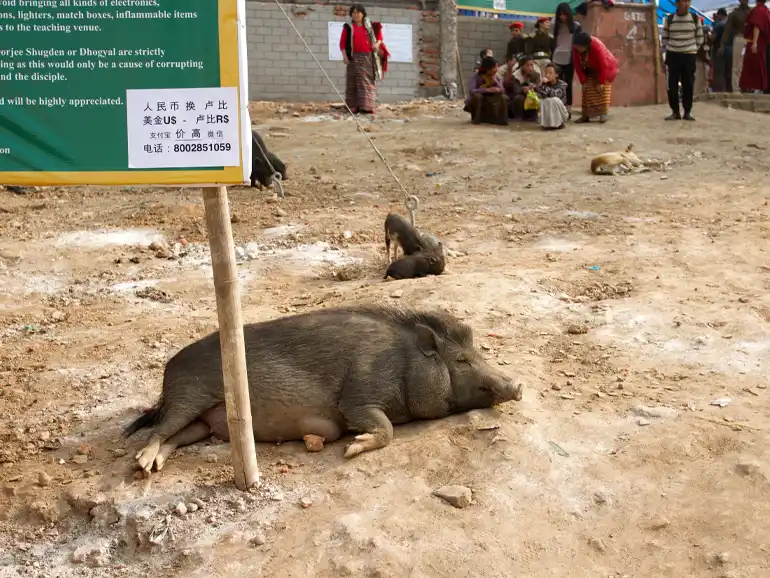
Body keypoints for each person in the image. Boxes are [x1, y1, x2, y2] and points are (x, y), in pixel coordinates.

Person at [339, 4, 390, 115]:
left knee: (366, 81)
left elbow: (380, 38)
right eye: (353, 13)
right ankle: (353, 106)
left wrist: (377, 43)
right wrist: (344, 56)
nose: (356, 15)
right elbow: (342, 43)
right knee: (352, 82)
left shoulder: (370, 26)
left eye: (358, 12)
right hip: (353, 57)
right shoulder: (348, 27)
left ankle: (368, 106)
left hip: (368, 57)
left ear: (363, 14)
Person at [661, 0, 704, 121]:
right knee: (672, 86)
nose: (685, 4)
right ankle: (675, 112)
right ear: (677, 4)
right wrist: (667, 52)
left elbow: (700, 38)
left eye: (687, 1)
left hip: (689, 56)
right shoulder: (669, 20)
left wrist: (692, 49)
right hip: (673, 55)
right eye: (682, 1)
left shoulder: (695, 18)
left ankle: (687, 112)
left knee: (688, 84)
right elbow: (664, 39)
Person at [572, 32, 619, 123]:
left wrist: (601, 81)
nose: (578, 49)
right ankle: (586, 115)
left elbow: (603, 65)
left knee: (602, 90)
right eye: (576, 47)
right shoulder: (575, 48)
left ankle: (603, 114)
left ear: (586, 46)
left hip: (607, 68)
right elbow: (577, 65)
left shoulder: (597, 46)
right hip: (589, 68)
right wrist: (583, 81)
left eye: (580, 47)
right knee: (587, 90)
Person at [551, 2, 581, 116]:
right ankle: (558, 107)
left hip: (569, 58)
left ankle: (568, 107)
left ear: (568, 14)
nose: (562, 17)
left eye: (564, 14)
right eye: (560, 15)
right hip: (557, 58)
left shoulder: (576, 26)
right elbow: (554, 43)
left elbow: (577, 43)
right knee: (556, 83)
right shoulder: (557, 27)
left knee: (568, 83)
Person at [464, 56, 509, 126]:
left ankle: (502, 120)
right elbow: (472, 91)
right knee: (477, 96)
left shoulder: (497, 77)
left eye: (497, 67)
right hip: (480, 99)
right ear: (487, 69)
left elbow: (502, 90)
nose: (496, 69)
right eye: (494, 67)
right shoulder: (476, 76)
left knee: (504, 97)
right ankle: (476, 119)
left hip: (492, 100)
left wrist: (496, 83)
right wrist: (487, 90)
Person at [739, 0, 770, 93]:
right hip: (762, 43)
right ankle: (757, 88)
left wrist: (754, 43)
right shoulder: (765, 10)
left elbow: (757, 26)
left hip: (756, 42)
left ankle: (753, 88)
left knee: (753, 65)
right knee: (759, 64)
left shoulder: (759, 10)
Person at [720, 0, 751, 92]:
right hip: (739, 37)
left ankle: (748, 88)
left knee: (749, 65)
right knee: (737, 65)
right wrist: (722, 45)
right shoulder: (734, 13)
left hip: (750, 40)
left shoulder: (753, 12)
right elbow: (727, 30)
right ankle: (736, 88)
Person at [507, 55, 541, 121]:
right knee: (519, 98)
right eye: (528, 65)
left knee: (536, 96)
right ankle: (518, 116)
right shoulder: (516, 76)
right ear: (522, 66)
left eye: (532, 65)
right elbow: (516, 90)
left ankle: (533, 116)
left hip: (531, 94)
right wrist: (523, 89)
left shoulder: (536, 75)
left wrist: (534, 87)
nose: (530, 68)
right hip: (518, 98)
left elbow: (539, 88)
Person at [536, 63, 569, 130]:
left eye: (550, 73)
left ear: (556, 74)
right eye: (546, 73)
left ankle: (559, 123)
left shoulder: (563, 85)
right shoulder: (544, 84)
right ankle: (547, 124)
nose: (547, 75)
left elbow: (555, 94)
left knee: (553, 99)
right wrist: (539, 87)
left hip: (562, 113)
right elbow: (539, 96)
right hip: (549, 112)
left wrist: (544, 86)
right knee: (543, 100)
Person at [711, 8, 729, 92]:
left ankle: (718, 92)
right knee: (727, 73)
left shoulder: (719, 25)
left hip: (718, 51)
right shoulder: (730, 23)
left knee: (718, 73)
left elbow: (712, 38)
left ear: (720, 15)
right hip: (729, 50)